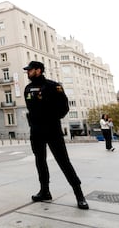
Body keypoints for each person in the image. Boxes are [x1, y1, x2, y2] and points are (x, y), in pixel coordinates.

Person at [23, 61, 89, 210]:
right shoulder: (27, 88)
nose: (28, 72)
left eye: (30, 70)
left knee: (63, 162)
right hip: (36, 131)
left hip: (52, 130)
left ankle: (79, 194)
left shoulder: (54, 86)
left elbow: (64, 107)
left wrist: (50, 119)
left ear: (38, 70)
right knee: (40, 161)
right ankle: (45, 191)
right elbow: (31, 108)